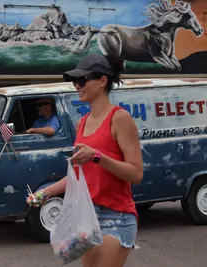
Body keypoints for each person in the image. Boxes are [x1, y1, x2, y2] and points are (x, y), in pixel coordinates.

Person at [28, 53, 143, 267]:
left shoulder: (120, 118)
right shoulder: (82, 122)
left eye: (82, 80)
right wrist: (45, 193)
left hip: (117, 215)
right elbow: (78, 174)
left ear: (102, 81)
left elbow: (136, 174)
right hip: (87, 217)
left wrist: (98, 156)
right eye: (74, 81)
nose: (76, 86)